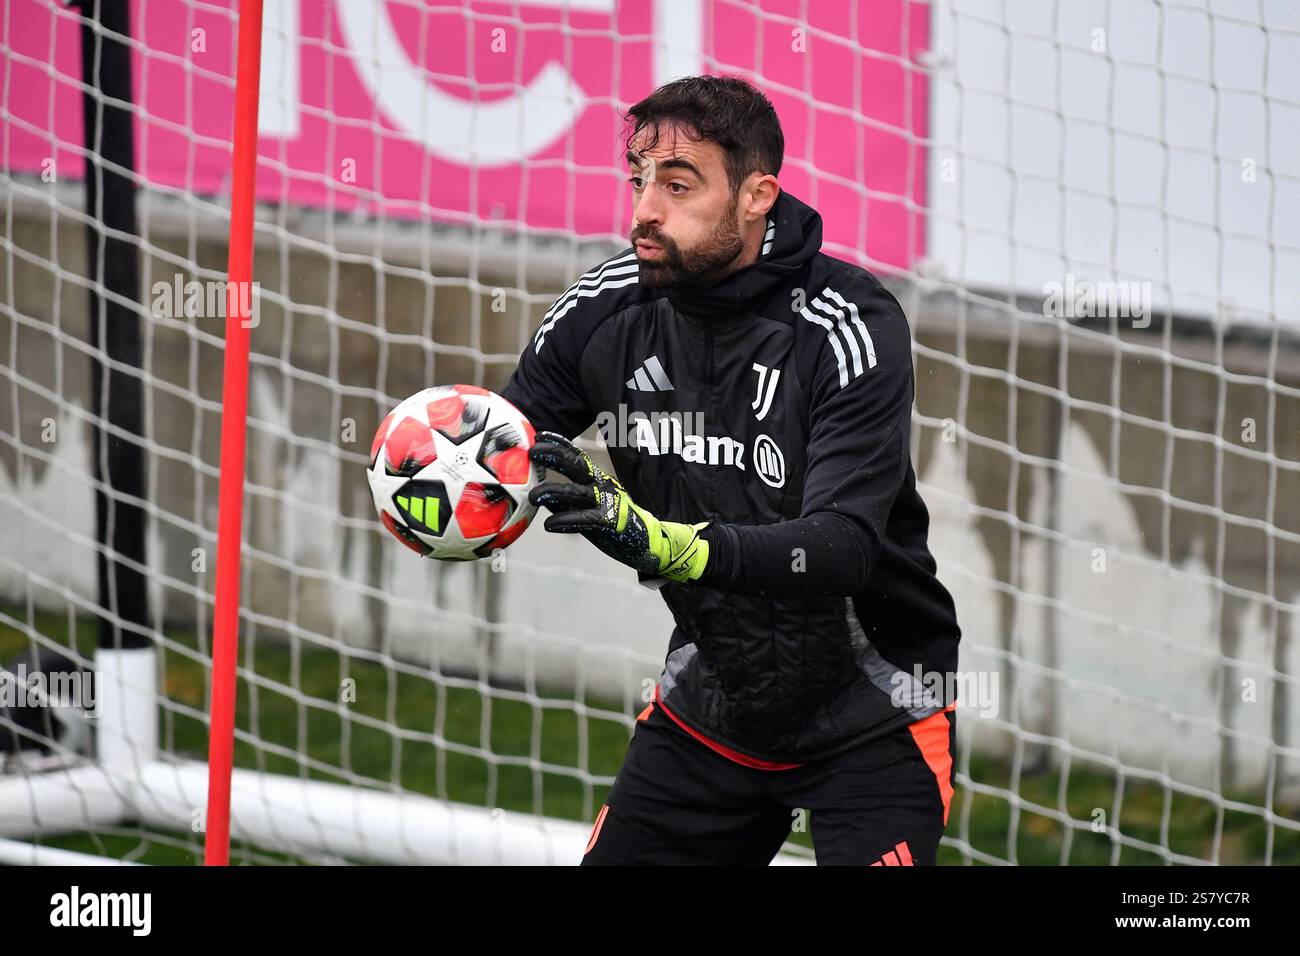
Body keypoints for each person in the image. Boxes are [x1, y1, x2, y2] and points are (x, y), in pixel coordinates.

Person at [501, 74, 962, 866]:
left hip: (875, 714)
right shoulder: (604, 309)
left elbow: (842, 547)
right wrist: (441, 478)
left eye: (679, 185)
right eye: (639, 180)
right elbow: (501, 445)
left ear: (757, 196)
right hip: (714, 705)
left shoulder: (851, 324)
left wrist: (669, 544)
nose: (646, 209)